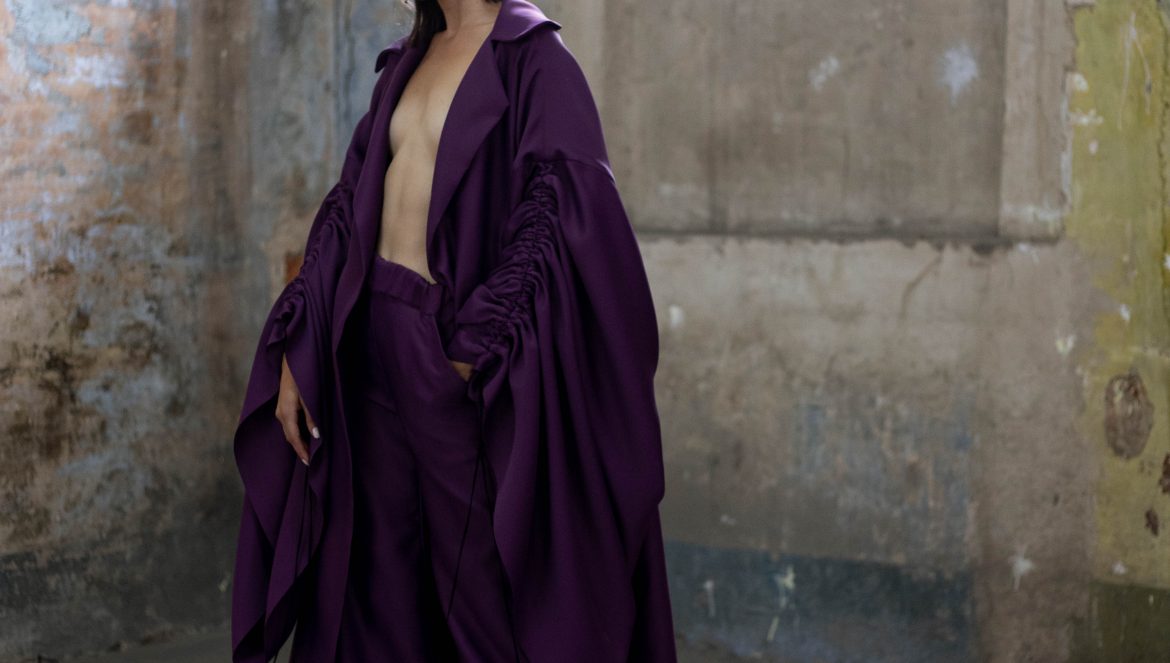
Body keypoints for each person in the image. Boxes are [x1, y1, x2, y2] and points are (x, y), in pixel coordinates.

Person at [229, 0, 676, 660]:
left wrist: (471, 351)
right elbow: (349, 206)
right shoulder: (408, 60)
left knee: (481, 591)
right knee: (374, 583)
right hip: (365, 342)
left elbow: (561, 215)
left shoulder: (536, 60)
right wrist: (301, 344)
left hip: (448, 352)